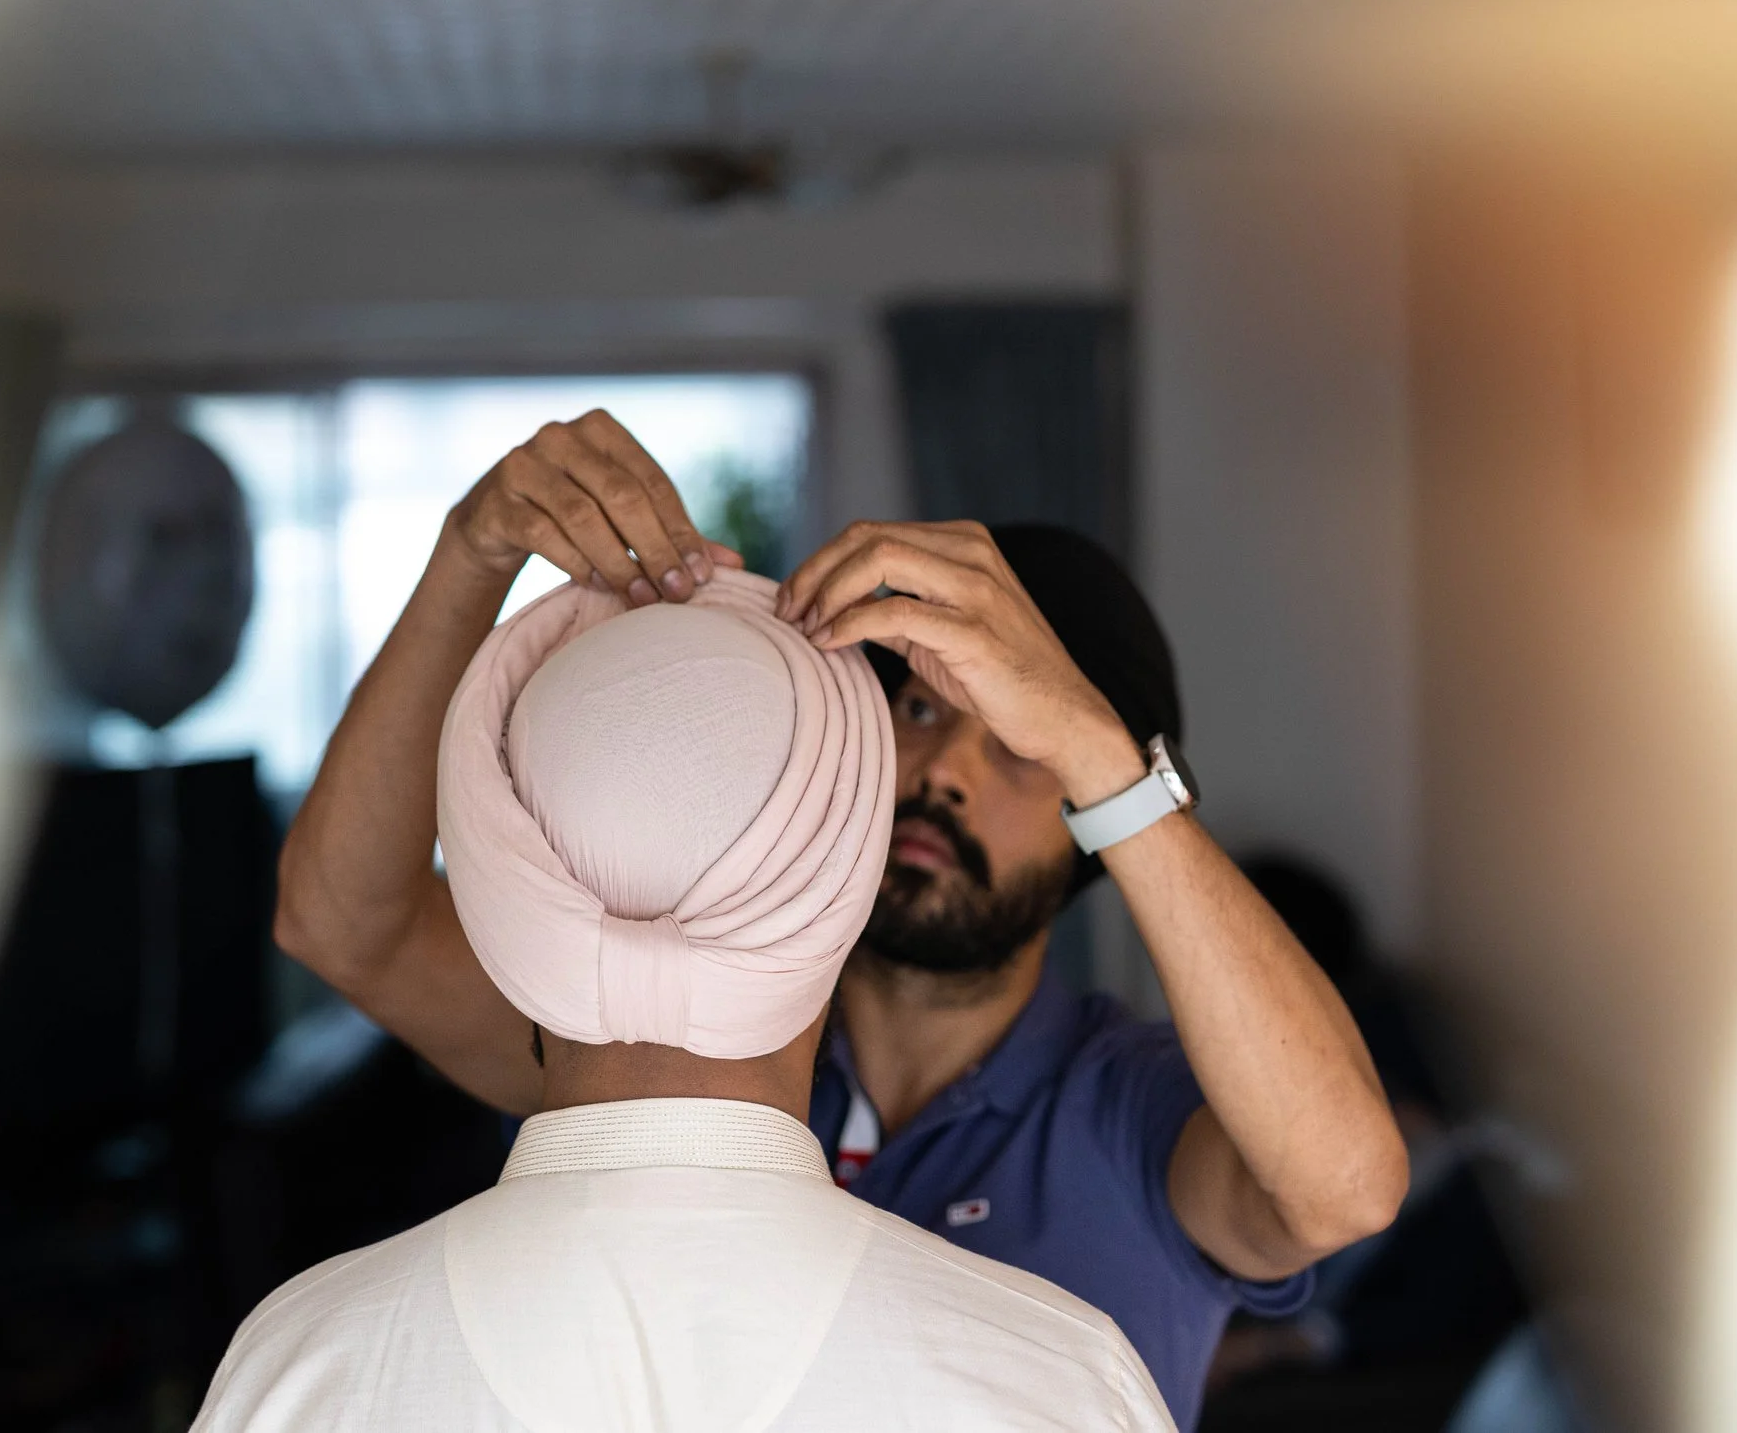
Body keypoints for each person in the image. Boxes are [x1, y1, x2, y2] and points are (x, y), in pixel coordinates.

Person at [272, 410, 1409, 1428]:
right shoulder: (670, 1049)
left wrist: (1099, 751)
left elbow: (1345, 1187)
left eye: (1019, 744)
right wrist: (469, 557)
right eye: (917, 705)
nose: (948, 770)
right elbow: (343, 926)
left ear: (1089, 812)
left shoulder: (1128, 1113)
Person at [197, 576, 1172, 1431]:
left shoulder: (299, 1363)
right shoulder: (1060, 1376)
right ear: (845, 904)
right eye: (920, 709)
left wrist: (473, 549)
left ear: (504, 928)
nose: (951, 773)